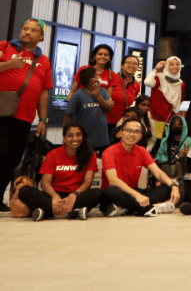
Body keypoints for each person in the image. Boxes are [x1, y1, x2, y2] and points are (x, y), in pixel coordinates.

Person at [0, 19, 53, 212]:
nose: (27, 32)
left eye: (33, 30)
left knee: (12, 159)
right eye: (25, 28)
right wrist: (10, 65)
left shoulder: (44, 60)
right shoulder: (4, 47)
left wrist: (43, 119)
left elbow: (44, 91)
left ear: (41, 37)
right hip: (1, 112)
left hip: (24, 117)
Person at [19, 122, 101, 220]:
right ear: (64, 138)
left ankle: (46, 211)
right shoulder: (53, 154)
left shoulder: (90, 155)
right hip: (53, 195)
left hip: (76, 195)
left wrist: (74, 195)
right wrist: (54, 197)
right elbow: (45, 183)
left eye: (78, 135)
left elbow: (88, 182)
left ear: (83, 137)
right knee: (24, 191)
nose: (75, 139)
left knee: (98, 193)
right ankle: (73, 212)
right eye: (70, 136)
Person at [100, 117, 181, 216]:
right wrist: (137, 195)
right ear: (120, 133)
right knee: (111, 190)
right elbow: (113, 180)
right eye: (128, 130)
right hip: (116, 193)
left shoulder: (142, 151)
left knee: (166, 189)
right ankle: (148, 208)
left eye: (137, 131)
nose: (132, 134)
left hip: (133, 192)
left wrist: (174, 186)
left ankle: (125, 209)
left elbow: (158, 172)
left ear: (140, 136)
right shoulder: (109, 152)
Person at [64, 66, 112, 150]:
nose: (100, 77)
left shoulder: (103, 92)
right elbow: (68, 116)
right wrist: (66, 135)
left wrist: (98, 96)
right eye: (97, 75)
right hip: (83, 139)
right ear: (91, 79)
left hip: (102, 140)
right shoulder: (77, 95)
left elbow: (109, 109)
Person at [143, 56, 186, 139]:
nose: (174, 66)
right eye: (171, 64)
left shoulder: (181, 84)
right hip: (155, 118)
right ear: (167, 66)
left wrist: (181, 120)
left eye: (177, 64)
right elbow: (147, 82)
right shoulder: (159, 77)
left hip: (169, 120)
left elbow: (179, 103)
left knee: (165, 145)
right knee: (154, 143)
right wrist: (156, 68)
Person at [114, 54, 142, 141]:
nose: (132, 65)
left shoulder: (136, 85)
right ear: (122, 66)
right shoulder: (113, 78)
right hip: (106, 119)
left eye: (135, 63)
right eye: (128, 62)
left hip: (122, 122)